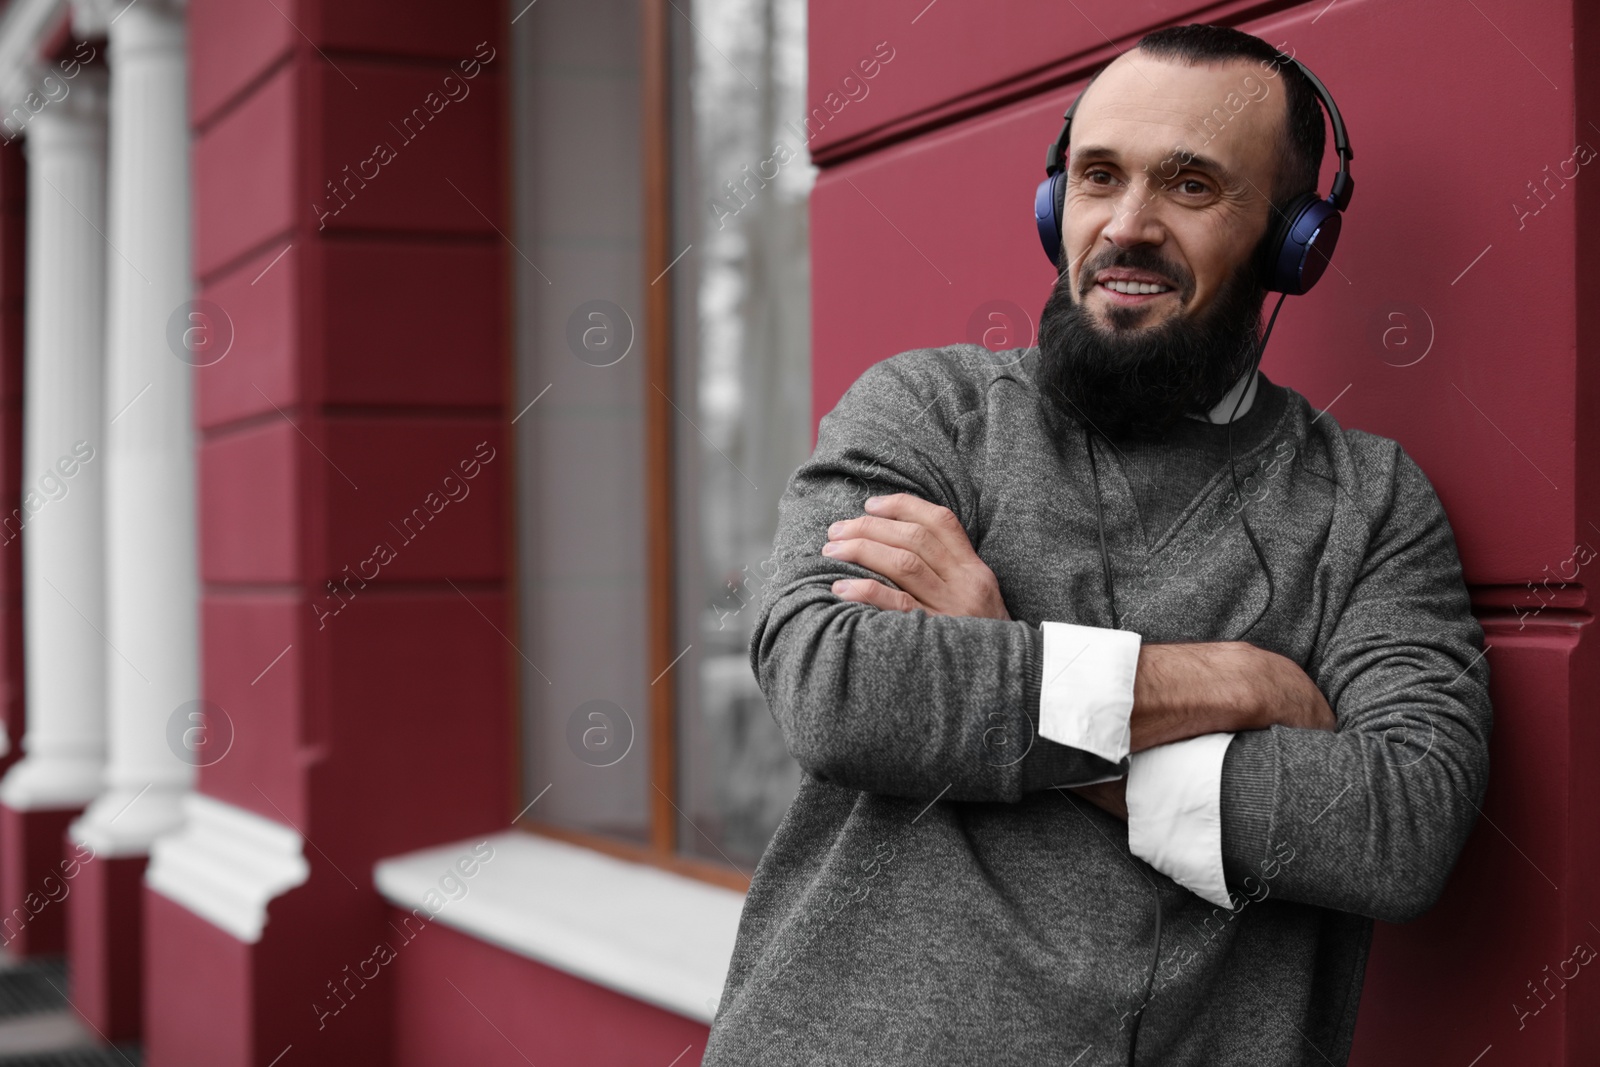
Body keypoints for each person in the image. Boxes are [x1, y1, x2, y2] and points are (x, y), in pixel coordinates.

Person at [700, 23, 1491, 1067]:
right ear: (1051, 205)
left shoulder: (1368, 504)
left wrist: (1006, 661)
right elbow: (839, 688)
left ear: (1294, 241)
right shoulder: (927, 411)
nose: (1126, 225)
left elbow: (1396, 823)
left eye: (1191, 187)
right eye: (1096, 176)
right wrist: (1237, 682)